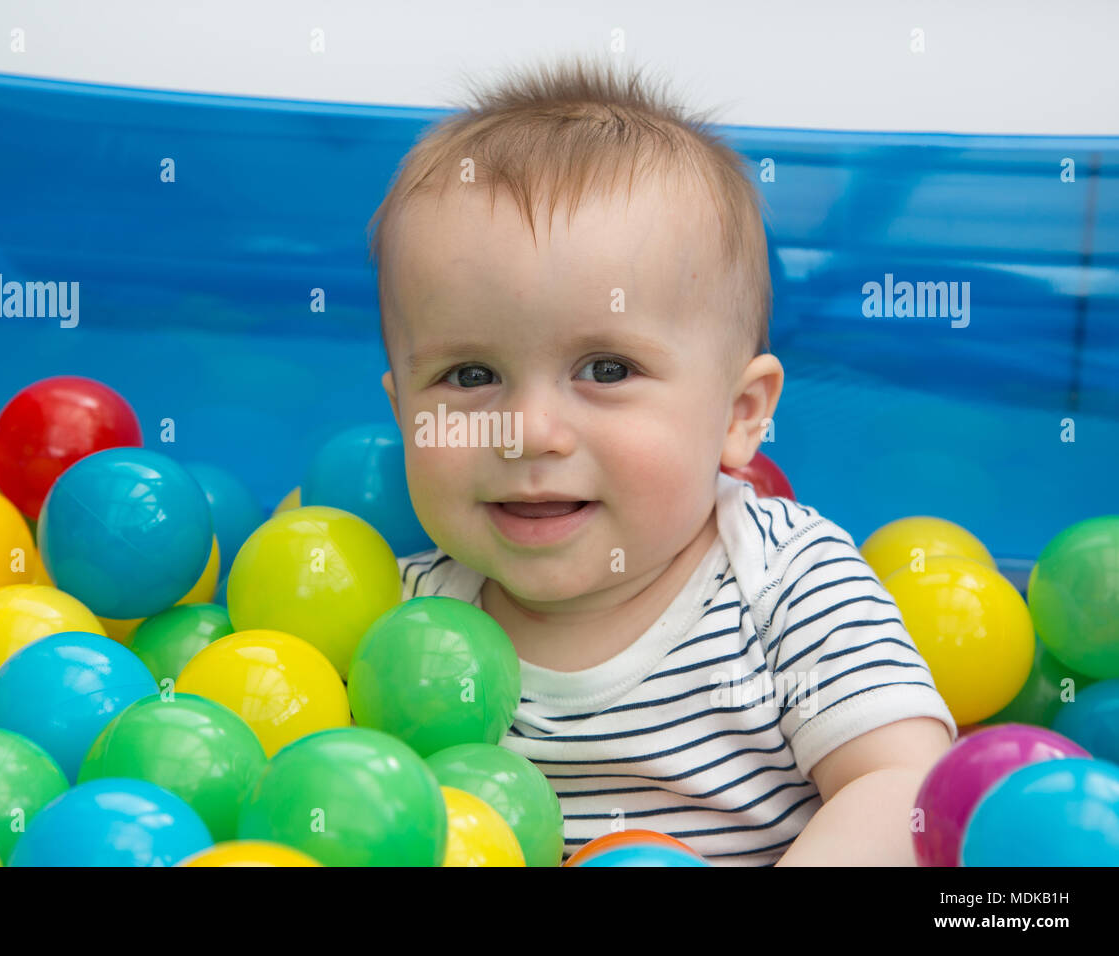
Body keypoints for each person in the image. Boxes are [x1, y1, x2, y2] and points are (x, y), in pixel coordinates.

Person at [367, 56, 955, 866]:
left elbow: (904, 786)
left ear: (739, 417)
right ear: (405, 415)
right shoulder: (407, 617)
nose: (529, 432)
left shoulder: (786, 583)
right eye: (471, 376)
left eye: (606, 370)